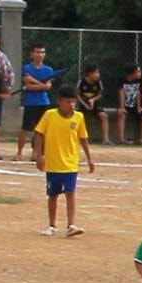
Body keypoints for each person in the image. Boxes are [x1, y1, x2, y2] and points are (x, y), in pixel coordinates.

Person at [37, 88, 95, 236]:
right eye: (68, 101)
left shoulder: (79, 117)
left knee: (70, 193)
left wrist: (89, 158)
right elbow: (39, 134)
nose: (71, 104)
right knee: (53, 195)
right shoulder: (50, 116)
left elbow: (83, 138)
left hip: (70, 163)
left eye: (73, 101)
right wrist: (39, 156)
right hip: (53, 164)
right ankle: (52, 225)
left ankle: (71, 225)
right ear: (59, 102)